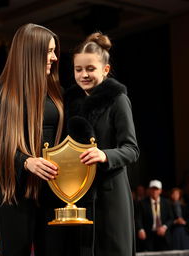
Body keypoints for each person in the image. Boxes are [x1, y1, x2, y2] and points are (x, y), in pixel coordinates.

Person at [0, 23, 64, 256]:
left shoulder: (56, 91)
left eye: (54, 50)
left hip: (53, 189)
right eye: (48, 51)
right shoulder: (2, 93)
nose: (55, 57)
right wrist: (27, 161)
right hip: (14, 191)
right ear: (31, 52)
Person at [64, 32, 139, 256]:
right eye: (78, 69)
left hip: (111, 195)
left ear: (105, 70)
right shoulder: (70, 102)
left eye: (90, 69)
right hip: (78, 194)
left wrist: (104, 155)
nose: (84, 74)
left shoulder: (118, 100)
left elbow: (132, 149)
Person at [136, 180, 174, 251]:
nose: (154, 191)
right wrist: (140, 229)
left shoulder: (166, 202)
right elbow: (138, 218)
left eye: (156, 189)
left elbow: (171, 218)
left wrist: (164, 227)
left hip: (163, 234)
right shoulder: (142, 203)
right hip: (148, 234)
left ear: (160, 191)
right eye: (152, 189)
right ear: (149, 190)